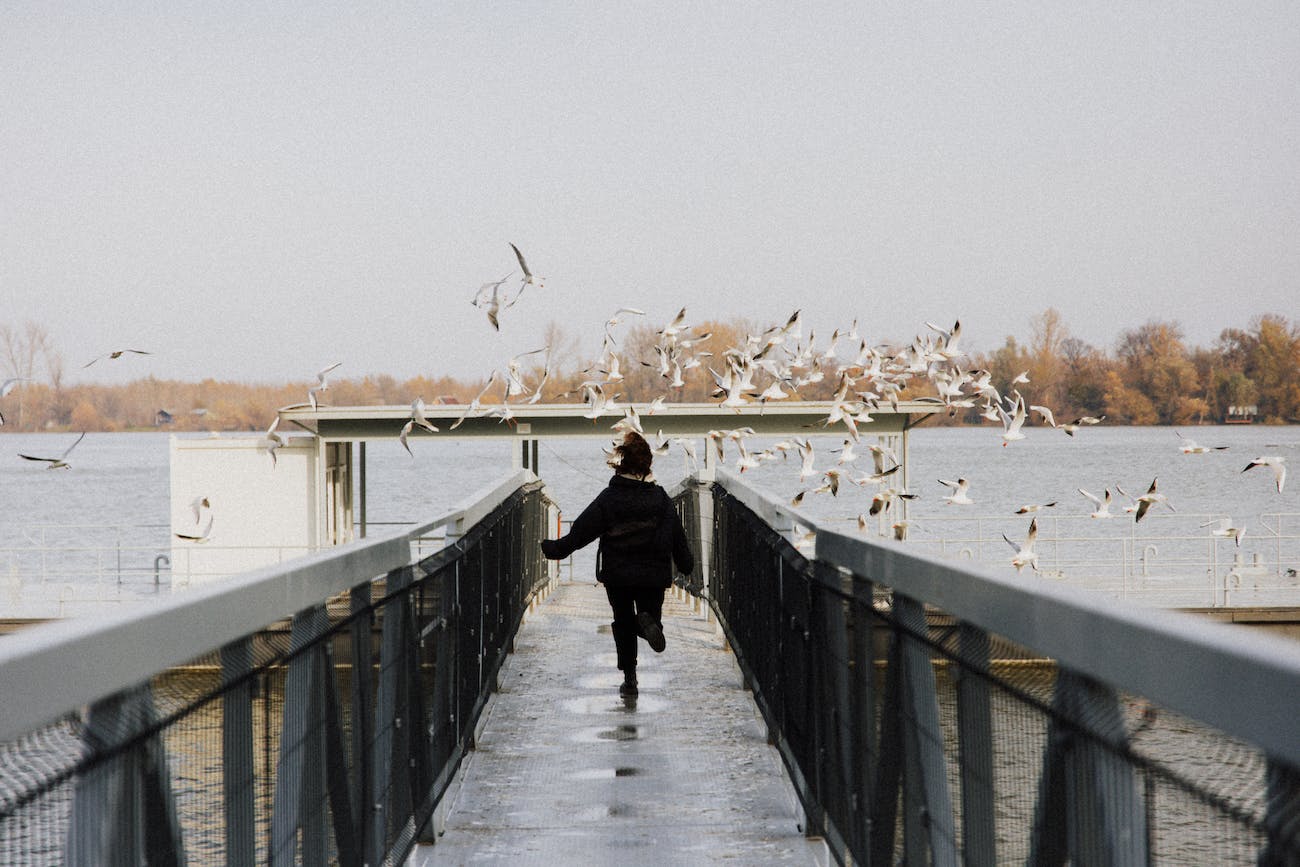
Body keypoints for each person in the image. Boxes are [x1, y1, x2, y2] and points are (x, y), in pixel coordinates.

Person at [540, 431, 694, 696]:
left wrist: (556, 549)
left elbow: (582, 531)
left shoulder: (609, 498)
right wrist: (687, 564)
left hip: (618, 573)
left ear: (622, 463)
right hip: (653, 574)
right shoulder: (661, 499)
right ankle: (647, 622)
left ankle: (630, 678)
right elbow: (677, 537)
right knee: (649, 620)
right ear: (648, 464)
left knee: (622, 621)